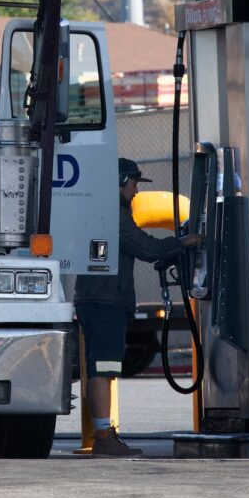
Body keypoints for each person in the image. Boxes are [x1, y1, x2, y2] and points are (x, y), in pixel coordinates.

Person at [73, 157, 201, 457]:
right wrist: (184, 243)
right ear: (119, 182)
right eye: (133, 184)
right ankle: (104, 437)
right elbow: (146, 247)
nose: (136, 192)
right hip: (105, 302)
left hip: (98, 299)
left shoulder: (101, 210)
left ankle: (105, 433)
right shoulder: (113, 214)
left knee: (102, 368)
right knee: (102, 369)